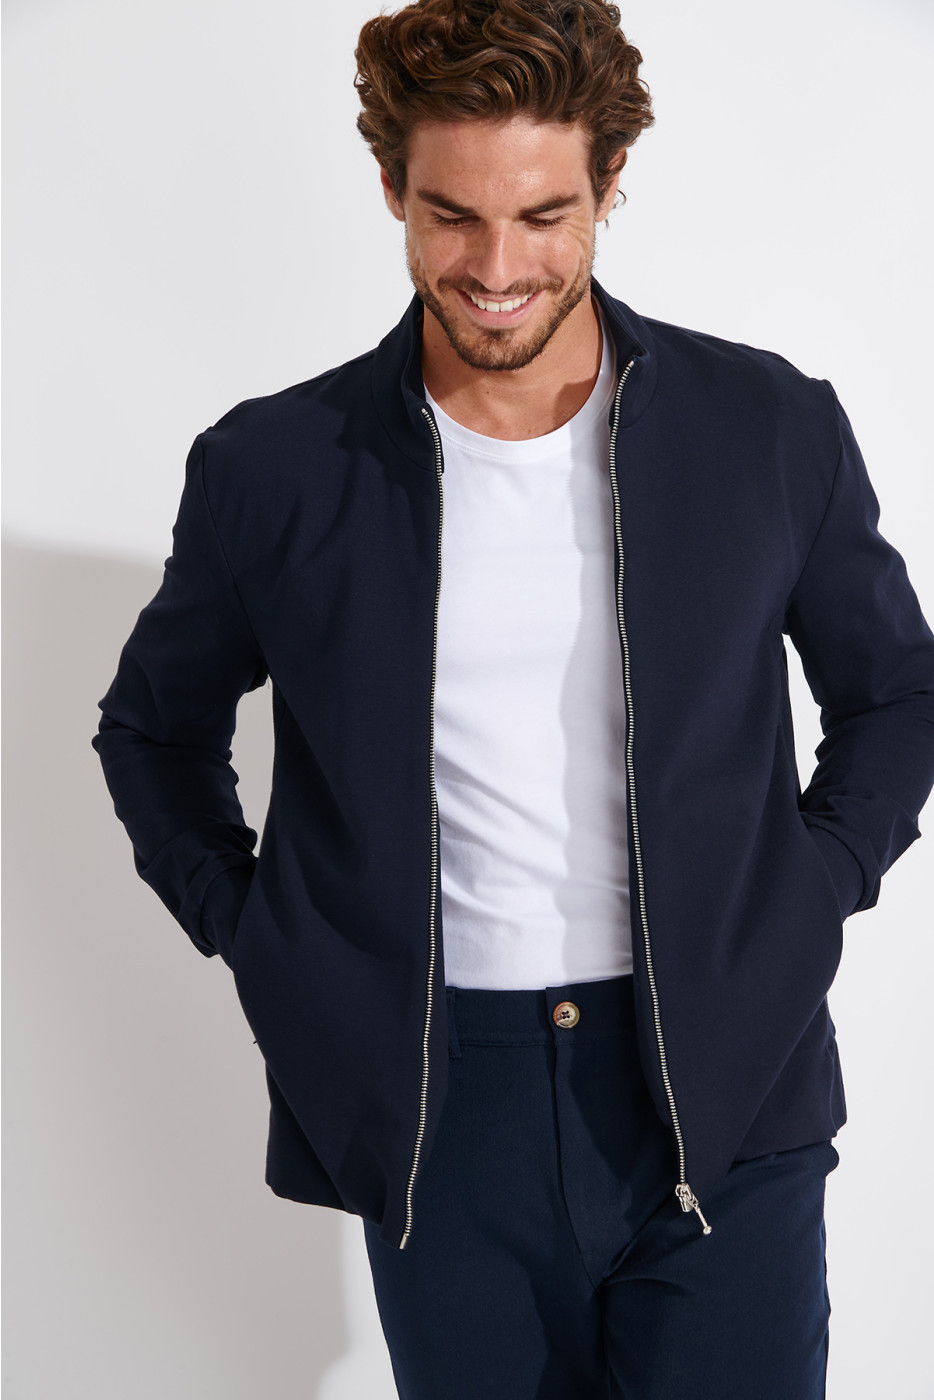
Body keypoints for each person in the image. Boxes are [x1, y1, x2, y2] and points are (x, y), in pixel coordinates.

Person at [92, 1, 934, 1395]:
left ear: (610, 185)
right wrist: (260, 934)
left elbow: (897, 692)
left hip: (725, 1083)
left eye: (544, 215)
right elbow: (152, 731)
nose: (495, 268)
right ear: (391, 189)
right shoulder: (275, 468)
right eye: (452, 217)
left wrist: (814, 883)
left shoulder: (766, 428)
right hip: (440, 1098)